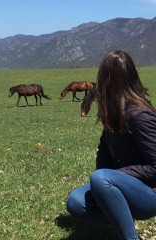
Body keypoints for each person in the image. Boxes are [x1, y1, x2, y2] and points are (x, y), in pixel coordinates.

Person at [66, 50, 156, 240]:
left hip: (150, 193)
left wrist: (111, 177)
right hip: (119, 186)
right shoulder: (114, 112)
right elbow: (104, 151)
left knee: (101, 178)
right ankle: (122, 217)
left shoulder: (139, 115)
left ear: (109, 81)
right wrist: (102, 188)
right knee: (75, 202)